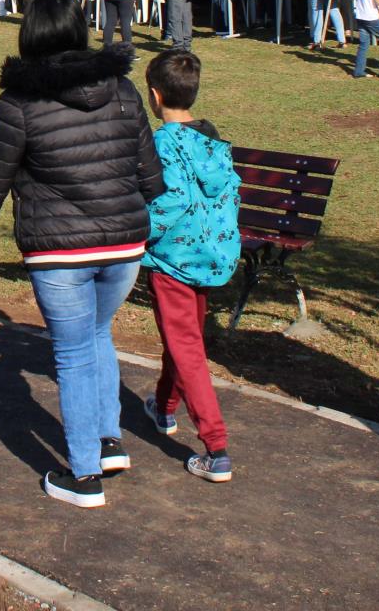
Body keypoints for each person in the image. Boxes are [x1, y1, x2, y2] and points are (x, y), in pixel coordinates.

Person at [0, 0, 162, 508]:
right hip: (124, 244)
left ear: (30, 34)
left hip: (60, 251)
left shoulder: (21, 102)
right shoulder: (121, 89)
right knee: (98, 336)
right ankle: (108, 440)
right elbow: (148, 167)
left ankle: (86, 473)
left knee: (73, 354)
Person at [139, 48, 241, 484]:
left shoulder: (162, 144)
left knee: (187, 349)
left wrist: (136, 231)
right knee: (183, 339)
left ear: (154, 96)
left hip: (174, 260)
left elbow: (172, 200)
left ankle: (215, 447)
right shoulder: (211, 142)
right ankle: (163, 408)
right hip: (211, 256)